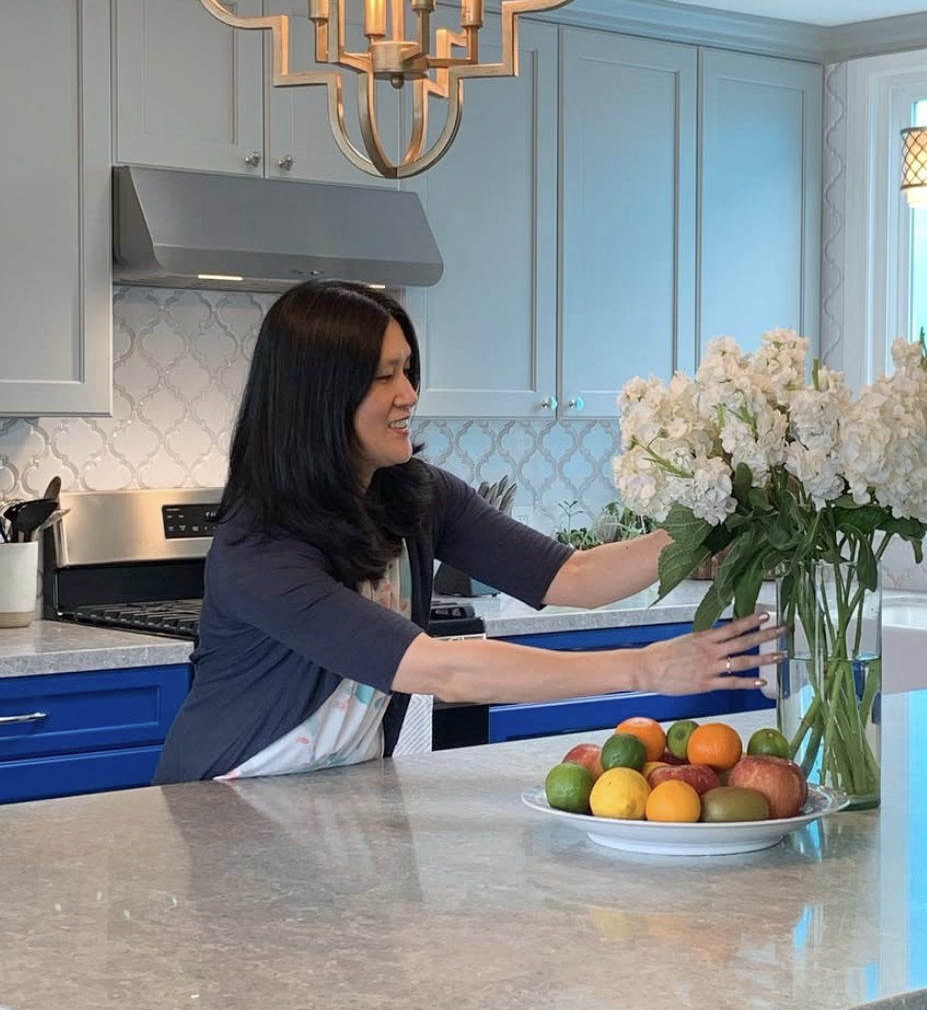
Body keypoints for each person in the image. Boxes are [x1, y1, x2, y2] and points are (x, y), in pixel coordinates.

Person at [154, 280, 778, 784]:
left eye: (408, 370)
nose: (410, 394)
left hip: (341, 792)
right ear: (318, 399)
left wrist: (719, 520)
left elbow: (575, 576)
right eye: (384, 376)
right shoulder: (258, 551)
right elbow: (439, 670)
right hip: (226, 799)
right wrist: (643, 670)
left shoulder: (417, 495)